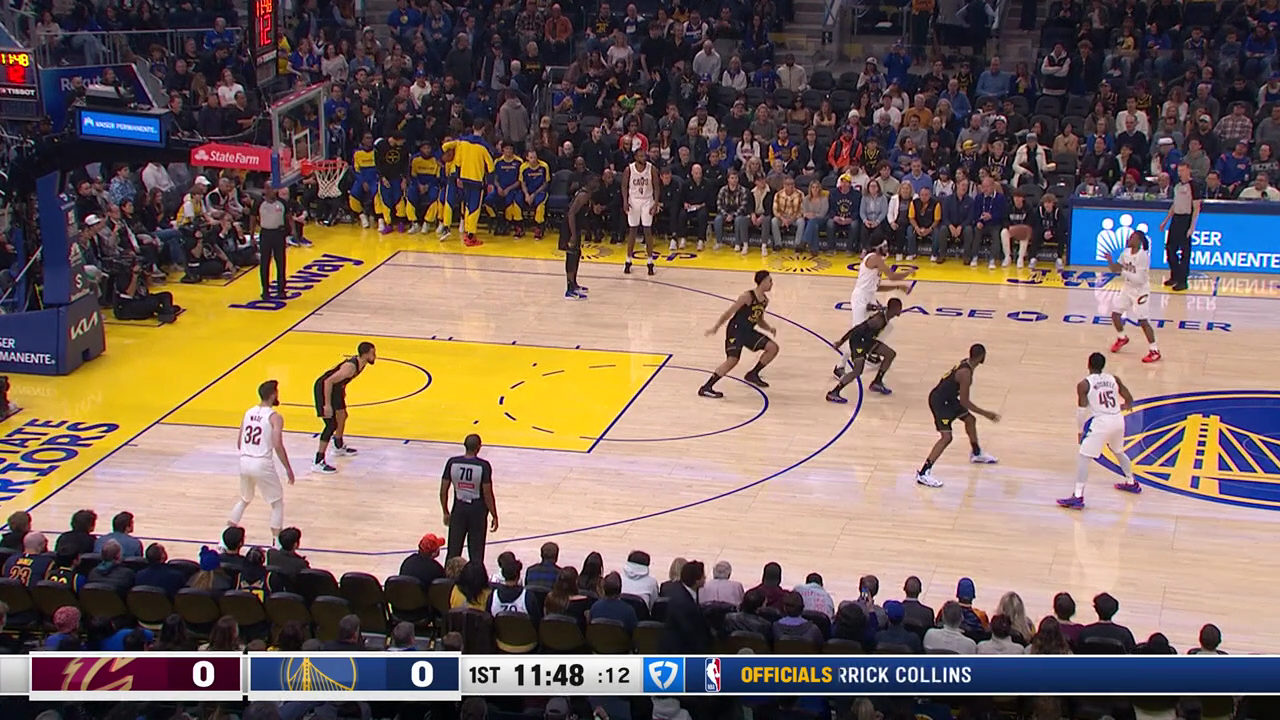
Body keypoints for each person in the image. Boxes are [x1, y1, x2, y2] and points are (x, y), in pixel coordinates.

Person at [1058, 353, 1138, 509]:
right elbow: (1129, 399)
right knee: (1118, 451)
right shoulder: (1114, 379)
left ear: (1088, 365)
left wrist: (1080, 431)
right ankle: (1131, 482)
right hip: (1118, 420)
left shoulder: (1084, 384)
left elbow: (1081, 412)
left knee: (1084, 457)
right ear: (1103, 365)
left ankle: (1078, 496)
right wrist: (1123, 406)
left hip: (1102, 422)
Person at [915, 344, 1001, 488]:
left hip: (949, 399)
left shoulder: (966, 363)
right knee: (946, 437)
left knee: (970, 420)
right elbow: (965, 402)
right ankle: (923, 473)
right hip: (940, 402)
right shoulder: (965, 374)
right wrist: (987, 414)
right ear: (982, 356)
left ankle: (976, 453)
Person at [834, 239, 913, 380]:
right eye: (885, 246)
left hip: (869, 297)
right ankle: (840, 366)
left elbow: (876, 287)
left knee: (886, 326)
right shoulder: (874, 259)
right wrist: (908, 272)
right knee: (858, 333)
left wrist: (897, 287)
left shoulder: (876, 260)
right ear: (878, 247)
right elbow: (892, 276)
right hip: (861, 299)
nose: (887, 248)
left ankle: (869, 350)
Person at [230, 380, 295, 539]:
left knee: (244, 499)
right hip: (261, 462)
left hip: (244, 461)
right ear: (273, 395)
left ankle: (224, 541)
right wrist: (288, 468)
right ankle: (277, 543)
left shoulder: (248, 413)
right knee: (277, 502)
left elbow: (239, 443)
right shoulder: (274, 417)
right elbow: (277, 444)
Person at [699, 269, 778, 398]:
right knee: (732, 360)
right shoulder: (747, 296)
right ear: (762, 282)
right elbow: (729, 313)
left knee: (773, 348)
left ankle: (753, 374)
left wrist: (769, 328)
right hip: (735, 331)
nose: (771, 284)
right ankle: (706, 387)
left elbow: (759, 320)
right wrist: (715, 327)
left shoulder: (764, 301)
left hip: (748, 331)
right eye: (770, 281)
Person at [313, 341, 377, 473]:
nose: (375, 356)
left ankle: (338, 445)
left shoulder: (361, 363)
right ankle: (318, 461)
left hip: (336, 389)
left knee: (342, 415)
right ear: (365, 354)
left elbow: (340, 381)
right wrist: (327, 405)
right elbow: (328, 381)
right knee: (331, 425)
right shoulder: (351, 367)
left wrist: (342, 390)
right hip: (324, 388)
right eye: (373, 353)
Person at [827, 297, 903, 402]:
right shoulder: (878, 320)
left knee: (890, 354)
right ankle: (834, 393)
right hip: (858, 342)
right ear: (894, 308)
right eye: (899, 308)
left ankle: (877, 382)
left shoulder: (887, 314)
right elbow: (856, 330)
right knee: (857, 370)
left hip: (867, 341)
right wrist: (841, 341)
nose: (901, 310)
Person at [440, 433, 499, 563]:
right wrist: (494, 514)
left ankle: (448, 575)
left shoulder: (452, 462)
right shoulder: (483, 466)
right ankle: (476, 574)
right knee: (476, 552)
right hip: (477, 511)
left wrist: (445, 511)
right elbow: (488, 494)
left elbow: (443, 490)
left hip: (459, 509)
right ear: (479, 447)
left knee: (453, 551)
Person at [1106, 229, 1161, 363]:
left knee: (1143, 321)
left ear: (1139, 242)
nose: (1129, 239)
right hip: (1128, 288)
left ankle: (1154, 350)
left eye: (1132, 237)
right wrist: (1110, 261)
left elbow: (1140, 280)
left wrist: (1123, 272)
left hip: (1140, 291)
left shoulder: (1143, 256)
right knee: (1115, 314)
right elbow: (1115, 269)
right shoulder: (1125, 253)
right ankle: (1122, 337)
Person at [443, 119, 496, 247]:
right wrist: (490, 183)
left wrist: (458, 177)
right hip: (476, 181)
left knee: (466, 205)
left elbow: (457, 162)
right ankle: (470, 235)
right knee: (474, 208)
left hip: (463, 179)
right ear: (483, 129)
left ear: (473, 127)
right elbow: (490, 167)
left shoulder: (462, 143)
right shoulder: (485, 146)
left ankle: (458, 229)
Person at [621, 148, 659, 275]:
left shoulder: (652, 169)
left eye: (644, 156)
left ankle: (650, 261)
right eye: (641, 156)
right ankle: (628, 260)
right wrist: (625, 201)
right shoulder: (629, 169)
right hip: (634, 200)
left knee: (647, 230)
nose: (643, 158)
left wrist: (655, 203)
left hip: (647, 200)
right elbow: (624, 186)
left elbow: (656, 187)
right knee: (632, 230)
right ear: (635, 157)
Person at [560, 179, 596, 300]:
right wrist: (573, 235)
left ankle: (574, 284)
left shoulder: (588, 195)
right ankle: (569, 290)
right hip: (569, 228)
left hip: (576, 227)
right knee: (571, 256)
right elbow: (571, 214)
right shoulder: (583, 195)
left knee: (576, 254)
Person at [253, 185, 289, 300]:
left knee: (281, 262)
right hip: (265, 234)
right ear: (266, 190)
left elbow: (288, 217)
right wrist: (252, 234)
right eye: (271, 189)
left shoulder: (282, 202)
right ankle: (265, 291)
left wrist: (292, 233)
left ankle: (281, 290)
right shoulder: (259, 203)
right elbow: (252, 218)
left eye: (274, 188)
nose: (274, 191)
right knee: (264, 263)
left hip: (279, 233)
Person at [374, 132, 411, 234]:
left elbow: (406, 164)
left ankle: (401, 222)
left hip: (398, 177)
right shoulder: (381, 146)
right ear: (396, 139)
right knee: (385, 199)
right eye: (402, 141)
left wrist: (404, 179)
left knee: (399, 198)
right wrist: (382, 177)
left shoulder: (403, 148)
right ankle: (388, 224)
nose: (403, 143)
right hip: (385, 178)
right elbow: (377, 163)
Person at [516, 146, 551, 237]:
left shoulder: (544, 166)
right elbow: (522, 183)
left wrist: (534, 195)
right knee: (516, 200)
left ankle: (539, 227)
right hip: (527, 191)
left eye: (535, 157)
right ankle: (519, 226)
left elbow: (545, 183)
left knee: (540, 205)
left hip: (539, 191)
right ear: (527, 158)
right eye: (531, 157)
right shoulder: (523, 167)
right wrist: (527, 195)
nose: (533, 159)